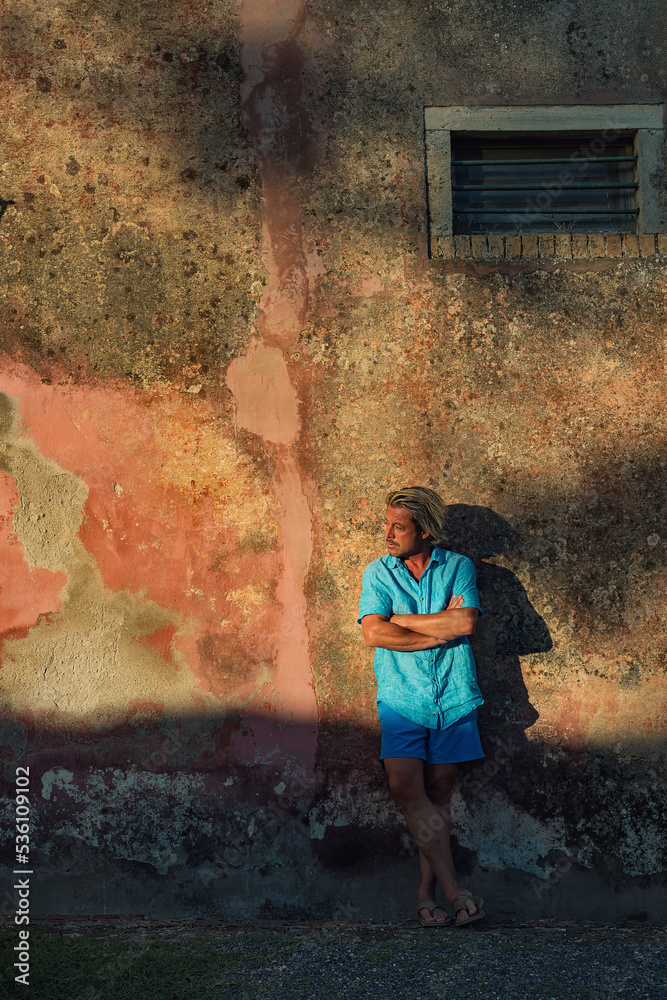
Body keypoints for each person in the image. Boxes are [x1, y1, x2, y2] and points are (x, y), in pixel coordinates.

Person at [358, 486, 486, 927]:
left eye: (399, 526)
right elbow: (374, 634)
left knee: (440, 795)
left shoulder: (458, 568)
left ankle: (426, 893)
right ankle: (456, 891)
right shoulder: (377, 573)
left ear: (425, 530)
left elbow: (466, 621)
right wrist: (438, 632)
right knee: (404, 788)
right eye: (387, 524)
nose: (388, 533)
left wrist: (401, 619)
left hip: (454, 695)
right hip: (400, 695)